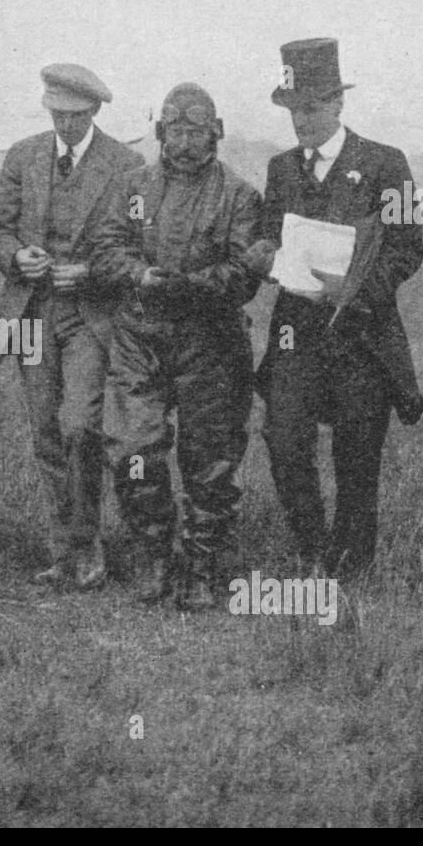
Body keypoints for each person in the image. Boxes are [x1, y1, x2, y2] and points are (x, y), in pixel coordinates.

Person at [244, 37, 423, 580]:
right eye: (294, 110)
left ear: (339, 104)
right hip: (294, 333)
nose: (302, 120)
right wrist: (262, 256)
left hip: (361, 335)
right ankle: (313, 547)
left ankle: (351, 568)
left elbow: (406, 249)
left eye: (313, 109)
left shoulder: (383, 164)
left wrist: (354, 290)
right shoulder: (280, 170)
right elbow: (267, 236)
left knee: (357, 455)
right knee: (284, 440)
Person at [92, 83, 262, 610]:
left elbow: (245, 271)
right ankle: (155, 553)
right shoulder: (132, 186)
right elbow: (105, 248)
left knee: (211, 458)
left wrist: (190, 286)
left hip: (210, 339)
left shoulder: (239, 195)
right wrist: (140, 274)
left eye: (196, 131)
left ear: (215, 134)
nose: (184, 143)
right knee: (130, 447)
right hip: (140, 336)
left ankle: (203, 566)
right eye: (175, 131)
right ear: (160, 132)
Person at [0, 63, 142, 589]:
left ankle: (87, 541)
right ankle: (64, 550)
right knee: (45, 431)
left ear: (95, 111)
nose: (65, 125)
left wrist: (93, 272)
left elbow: (139, 246)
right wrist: (15, 256)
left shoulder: (127, 165)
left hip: (89, 318)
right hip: (31, 313)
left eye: (75, 116)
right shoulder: (23, 155)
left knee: (80, 425)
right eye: (57, 114)